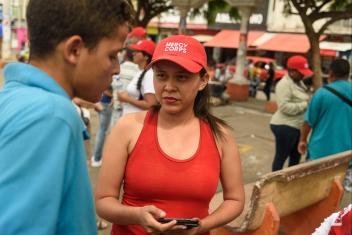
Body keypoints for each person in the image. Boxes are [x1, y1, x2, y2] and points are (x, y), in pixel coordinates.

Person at [0, 0, 133, 234]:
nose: (117, 69)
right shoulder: (51, 114)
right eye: (113, 55)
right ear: (74, 50)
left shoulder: (14, 97)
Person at [95, 35, 245, 235]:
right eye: (161, 76)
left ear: (203, 81)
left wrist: (204, 225)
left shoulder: (221, 135)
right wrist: (137, 215)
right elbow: (103, 201)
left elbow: (235, 199)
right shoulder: (128, 127)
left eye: (181, 77)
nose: (169, 87)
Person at [298, 58, 352, 191]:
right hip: (346, 158)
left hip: (319, 155)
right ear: (348, 74)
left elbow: (308, 122)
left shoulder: (322, 93)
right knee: (337, 193)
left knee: (313, 192)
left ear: (331, 73)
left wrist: (303, 140)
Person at [270, 55, 312, 171]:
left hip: (297, 126)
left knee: (295, 157)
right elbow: (284, 107)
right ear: (291, 71)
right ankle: (275, 183)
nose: (303, 75)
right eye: (301, 72)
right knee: (281, 157)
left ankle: (290, 183)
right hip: (285, 126)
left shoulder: (298, 82)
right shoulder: (284, 85)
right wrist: (305, 105)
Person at [118, 39, 157, 115]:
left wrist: (127, 99)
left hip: (138, 122)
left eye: (137, 51)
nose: (133, 54)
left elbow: (151, 105)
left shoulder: (149, 75)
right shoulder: (141, 71)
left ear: (146, 57)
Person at [91, 87, 113, 167]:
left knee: (101, 130)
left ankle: (96, 157)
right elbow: (105, 89)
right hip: (105, 104)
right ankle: (97, 158)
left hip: (102, 103)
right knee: (102, 131)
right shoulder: (107, 77)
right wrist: (114, 96)